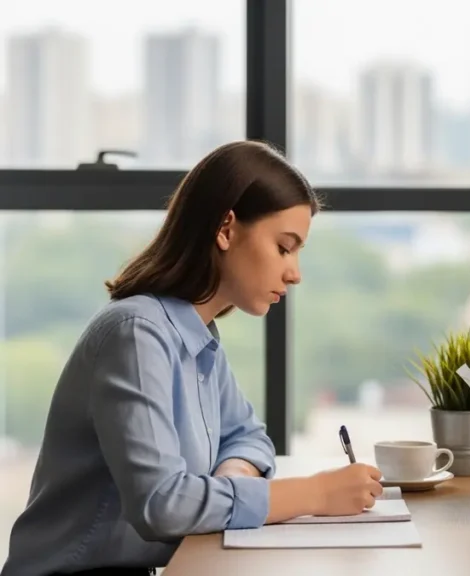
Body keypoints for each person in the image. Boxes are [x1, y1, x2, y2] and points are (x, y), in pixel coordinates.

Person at [1, 141, 383, 576]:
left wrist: (230, 480)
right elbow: (162, 505)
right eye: (284, 247)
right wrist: (315, 495)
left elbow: (249, 437)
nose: (294, 272)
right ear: (226, 229)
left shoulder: (197, 336)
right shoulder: (137, 335)